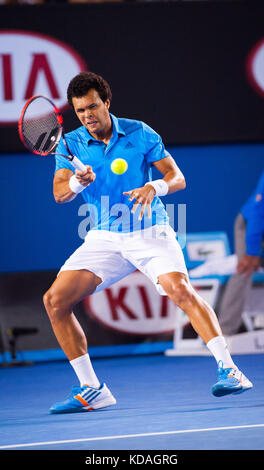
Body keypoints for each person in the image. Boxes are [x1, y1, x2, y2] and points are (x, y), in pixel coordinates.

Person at [43, 71, 252, 414]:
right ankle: (92, 388)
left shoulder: (139, 132)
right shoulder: (69, 144)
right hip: (104, 237)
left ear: (106, 102)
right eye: (80, 111)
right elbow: (59, 194)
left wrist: (154, 187)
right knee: (54, 300)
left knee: (180, 289)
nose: (87, 116)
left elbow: (177, 177)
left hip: (149, 230)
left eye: (93, 107)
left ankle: (230, 369)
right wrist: (79, 184)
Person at [219, 171, 264, 335]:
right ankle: (224, 332)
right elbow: (258, 212)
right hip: (250, 224)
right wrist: (251, 252)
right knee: (244, 270)